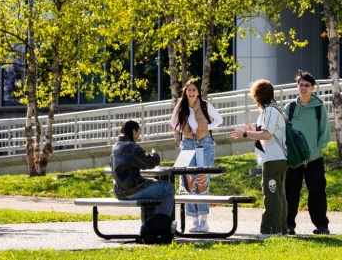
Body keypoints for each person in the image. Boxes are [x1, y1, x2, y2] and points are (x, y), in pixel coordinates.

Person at [230, 79, 287, 237]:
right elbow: (267, 132)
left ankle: (270, 230)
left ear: (258, 95)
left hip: (273, 158)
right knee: (279, 194)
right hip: (278, 157)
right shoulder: (274, 109)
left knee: (271, 194)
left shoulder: (269, 110)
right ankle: (281, 229)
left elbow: (267, 135)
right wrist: (253, 131)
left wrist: (245, 134)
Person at [170, 79, 223, 233]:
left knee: (201, 179)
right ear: (185, 91)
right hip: (187, 143)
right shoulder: (181, 106)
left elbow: (219, 120)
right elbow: (173, 122)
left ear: (198, 92)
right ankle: (193, 219)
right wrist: (184, 130)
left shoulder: (205, 105)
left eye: (194, 90)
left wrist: (207, 128)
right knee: (189, 181)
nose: (191, 93)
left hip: (204, 143)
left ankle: (203, 220)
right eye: (189, 90)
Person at [284, 70, 331, 235]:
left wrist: (316, 150)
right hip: (294, 159)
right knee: (290, 192)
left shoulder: (319, 108)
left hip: (314, 158)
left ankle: (321, 225)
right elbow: (283, 131)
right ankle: (288, 225)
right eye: (301, 84)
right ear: (297, 86)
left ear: (313, 88)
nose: (303, 88)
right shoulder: (289, 108)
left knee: (317, 192)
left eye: (307, 85)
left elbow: (324, 133)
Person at [110, 119, 175, 225]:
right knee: (168, 188)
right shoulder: (131, 147)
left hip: (119, 191)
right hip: (133, 189)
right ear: (134, 132)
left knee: (152, 192)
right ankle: (161, 225)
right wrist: (155, 154)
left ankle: (147, 228)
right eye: (139, 131)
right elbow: (150, 163)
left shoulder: (115, 147)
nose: (139, 135)